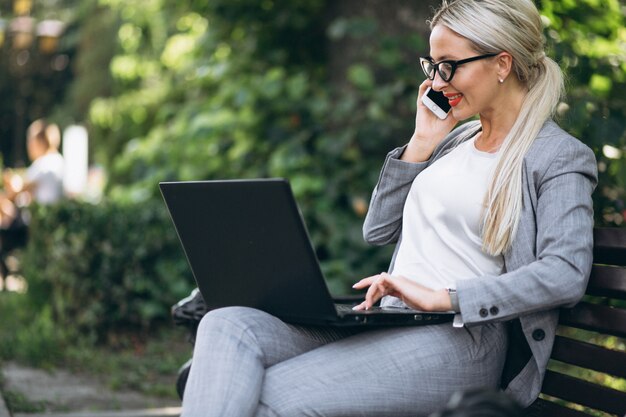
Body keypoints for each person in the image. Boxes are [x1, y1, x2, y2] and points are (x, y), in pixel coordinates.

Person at [181, 0, 597, 415]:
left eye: (450, 66)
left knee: (267, 395)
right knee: (227, 323)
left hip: (460, 340)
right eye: (432, 66)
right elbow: (377, 230)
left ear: (502, 63)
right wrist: (421, 143)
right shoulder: (455, 141)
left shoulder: (556, 156)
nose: (438, 81)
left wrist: (444, 298)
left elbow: (565, 272)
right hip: (387, 321)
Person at [3, 119, 65, 206]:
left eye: (30, 141)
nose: (28, 146)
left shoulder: (44, 163)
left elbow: (17, 188)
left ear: (40, 142)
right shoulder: (59, 160)